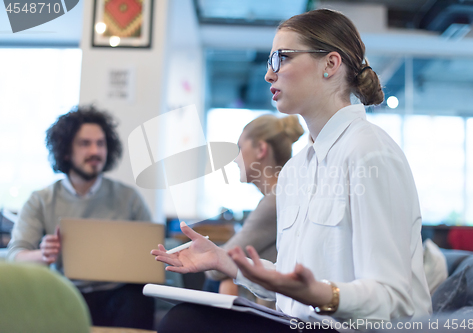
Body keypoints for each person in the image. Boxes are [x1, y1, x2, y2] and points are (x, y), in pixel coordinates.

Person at [151, 8, 432, 332]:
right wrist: (226, 262)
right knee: (184, 317)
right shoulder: (297, 169)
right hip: (297, 322)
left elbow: (394, 301)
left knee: (185, 323)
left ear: (330, 64)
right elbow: (289, 283)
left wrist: (321, 295)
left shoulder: (370, 154)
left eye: (282, 58)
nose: (270, 75)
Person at [8, 106, 155, 330]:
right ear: (66, 150)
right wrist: (44, 254)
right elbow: (15, 256)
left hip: (118, 294)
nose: (95, 151)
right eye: (85, 144)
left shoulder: (129, 197)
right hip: (64, 291)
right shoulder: (41, 200)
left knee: (138, 298)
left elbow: (152, 254)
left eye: (100, 143)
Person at [205, 114, 304, 299]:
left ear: (261, 149)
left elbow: (217, 267)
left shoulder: (276, 200)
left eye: (240, 148)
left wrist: (226, 277)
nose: (235, 160)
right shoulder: (281, 195)